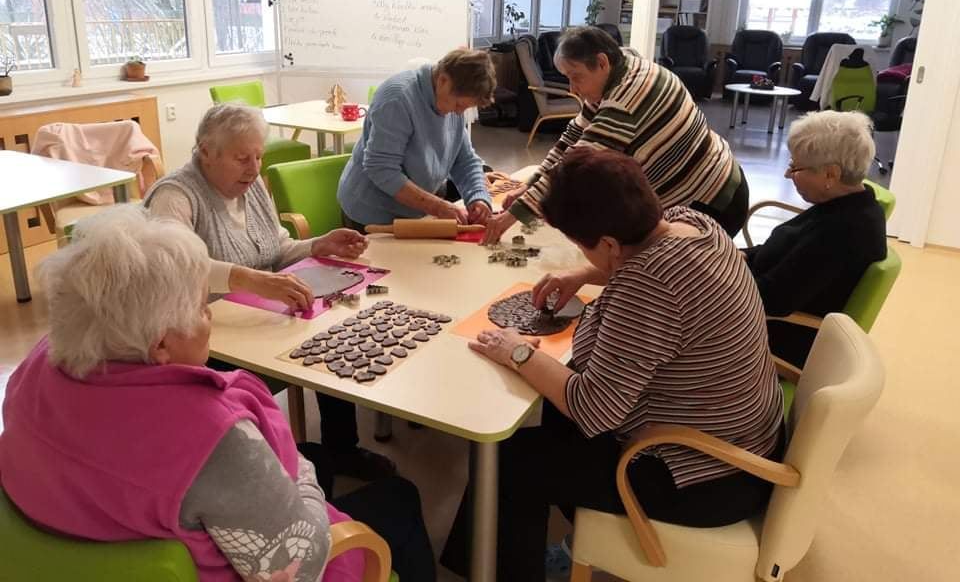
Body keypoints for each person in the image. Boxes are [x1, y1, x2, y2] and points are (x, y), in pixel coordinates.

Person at [0, 206, 436, 582]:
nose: (209, 315)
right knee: (397, 497)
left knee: (311, 460)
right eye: (200, 306)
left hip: (84, 545)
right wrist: (300, 472)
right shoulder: (214, 438)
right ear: (160, 344)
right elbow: (300, 565)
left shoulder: (36, 367)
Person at [442, 147, 784, 582]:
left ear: (609, 245)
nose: (583, 255)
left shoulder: (647, 288)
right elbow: (647, 260)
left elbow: (592, 409)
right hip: (746, 439)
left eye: (581, 247)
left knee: (512, 461)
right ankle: (512, 549)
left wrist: (518, 351)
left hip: (704, 477)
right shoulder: (695, 223)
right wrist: (584, 275)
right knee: (551, 412)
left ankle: (490, 568)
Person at [144, 104, 392, 482]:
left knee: (330, 330)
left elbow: (276, 247)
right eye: (242, 158)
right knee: (312, 341)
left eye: (258, 156)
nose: (254, 168)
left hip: (255, 316)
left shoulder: (251, 185)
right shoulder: (175, 196)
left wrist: (317, 245)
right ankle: (268, 471)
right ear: (206, 152)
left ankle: (341, 449)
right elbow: (173, 266)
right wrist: (251, 280)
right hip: (205, 338)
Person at [483, 26, 749, 244]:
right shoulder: (620, 69)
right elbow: (571, 140)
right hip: (705, 189)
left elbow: (576, 165)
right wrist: (528, 188)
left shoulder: (628, 97)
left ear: (601, 62)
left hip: (713, 200)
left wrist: (510, 217)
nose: (573, 89)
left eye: (576, 77)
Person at [744, 110, 887, 367]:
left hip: (771, 338)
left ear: (831, 175)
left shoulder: (843, 231)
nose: (787, 175)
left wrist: (718, 274)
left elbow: (773, 299)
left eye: (795, 167)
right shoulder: (847, 203)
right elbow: (788, 252)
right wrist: (739, 255)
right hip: (762, 308)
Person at [337, 49, 495, 229]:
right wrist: (438, 206)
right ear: (443, 80)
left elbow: (465, 160)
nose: (459, 113)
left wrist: (478, 196)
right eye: (459, 105)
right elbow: (381, 169)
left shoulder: (451, 100)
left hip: (413, 210)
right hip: (371, 212)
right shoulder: (397, 98)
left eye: (465, 108)